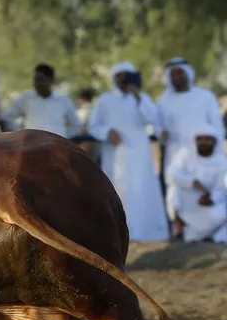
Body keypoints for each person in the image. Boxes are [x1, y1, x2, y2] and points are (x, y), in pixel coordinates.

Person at [88, 62, 169, 242]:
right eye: (119, 76)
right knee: (118, 190)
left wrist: (138, 96)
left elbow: (151, 118)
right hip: (115, 154)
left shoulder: (142, 98)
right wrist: (107, 131)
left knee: (141, 189)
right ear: (114, 78)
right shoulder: (105, 100)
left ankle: (144, 232)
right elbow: (93, 126)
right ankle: (119, 233)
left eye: (127, 75)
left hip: (140, 154)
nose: (123, 80)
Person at [156, 57, 224, 237]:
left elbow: (216, 127)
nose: (177, 77)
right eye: (173, 74)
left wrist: (215, 152)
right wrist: (161, 133)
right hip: (175, 152)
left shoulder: (205, 96)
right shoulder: (163, 100)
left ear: (188, 74)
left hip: (204, 152)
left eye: (180, 72)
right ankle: (180, 226)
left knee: (210, 190)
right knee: (177, 188)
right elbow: (158, 127)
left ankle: (207, 229)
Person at [166, 124, 227, 243]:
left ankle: (200, 237)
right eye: (200, 139)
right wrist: (193, 183)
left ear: (214, 141)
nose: (204, 142)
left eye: (207, 139)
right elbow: (171, 174)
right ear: (195, 140)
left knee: (220, 215)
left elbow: (221, 188)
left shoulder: (221, 162)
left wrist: (210, 198)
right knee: (173, 188)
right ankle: (179, 225)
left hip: (207, 204)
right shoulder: (184, 155)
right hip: (186, 199)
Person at [5, 64, 80, 138]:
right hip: (32, 145)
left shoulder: (63, 100)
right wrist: (20, 135)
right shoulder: (26, 98)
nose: (36, 83)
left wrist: (63, 138)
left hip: (56, 146)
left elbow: (75, 124)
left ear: (51, 80)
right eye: (35, 79)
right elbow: (9, 117)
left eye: (40, 79)